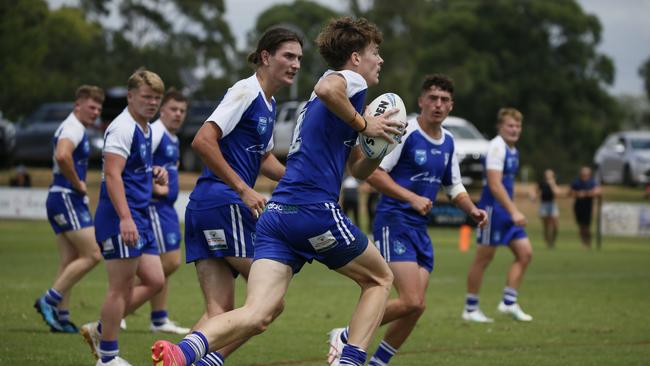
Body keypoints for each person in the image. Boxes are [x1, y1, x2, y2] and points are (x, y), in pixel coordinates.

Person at [151, 17, 404, 366]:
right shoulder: (347, 81)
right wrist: (364, 124)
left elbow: (358, 170)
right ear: (356, 57)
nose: (381, 60)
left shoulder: (323, 107)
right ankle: (350, 359)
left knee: (258, 313)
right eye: (376, 52)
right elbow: (329, 89)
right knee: (380, 278)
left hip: (276, 216)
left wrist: (379, 145)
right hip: (313, 210)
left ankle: (184, 351)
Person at [329, 74, 488, 366]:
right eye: (432, 98)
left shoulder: (449, 141)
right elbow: (374, 174)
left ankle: (377, 362)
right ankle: (346, 336)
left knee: (415, 307)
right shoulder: (406, 131)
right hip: (394, 221)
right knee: (411, 300)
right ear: (421, 101)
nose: (437, 105)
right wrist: (410, 197)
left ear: (451, 105)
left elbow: (453, 186)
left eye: (444, 100)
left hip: (419, 230)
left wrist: (472, 209)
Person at [181, 27, 302, 365]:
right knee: (270, 302)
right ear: (266, 56)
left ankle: (181, 358)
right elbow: (203, 141)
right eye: (288, 56)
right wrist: (243, 189)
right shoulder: (245, 91)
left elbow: (263, 159)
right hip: (224, 204)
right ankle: (211, 361)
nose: (295, 65)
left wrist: (302, 176)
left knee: (219, 312)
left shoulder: (269, 102)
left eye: (299, 59)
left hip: (206, 206)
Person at [80, 69, 168, 366]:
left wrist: (154, 174)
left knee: (155, 279)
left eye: (156, 98)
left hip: (139, 216)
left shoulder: (144, 128)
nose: (152, 103)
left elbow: (131, 172)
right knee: (120, 288)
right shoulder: (122, 127)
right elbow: (112, 175)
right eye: (146, 97)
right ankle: (106, 358)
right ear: (130, 97)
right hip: (121, 218)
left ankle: (101, 329)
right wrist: (126, 218)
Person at [120, 88, 191, 334]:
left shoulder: (171, 137)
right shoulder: (157, 132)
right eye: (173, 109)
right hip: (155, 209)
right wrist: (153, 188)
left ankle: (159, 318)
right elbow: (134, 165)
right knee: (169, 263)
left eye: (182, 111)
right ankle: (119, 309)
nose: (178, 114)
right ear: (162, 110)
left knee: (164, 266)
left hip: (167, 209)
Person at [35, 85, 104, 333]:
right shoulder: (73, 127)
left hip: (60, 197)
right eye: (91, 106)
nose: (95, 112)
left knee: (70, 260)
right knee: (94, 253)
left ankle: (61, 316)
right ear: (78, 104)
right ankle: (49, 300)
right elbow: (63, 156)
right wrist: (78, 184)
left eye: (98, 108)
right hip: (66, 196)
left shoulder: (74, 126)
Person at [462, 107, 534, 323]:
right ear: (500, 127)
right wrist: (513, 211)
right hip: (492, 212)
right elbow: (494, 184)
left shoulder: (513, 149)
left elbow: (506, 184)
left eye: (518, 126)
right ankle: (470, 308)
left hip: (507, 212)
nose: (515, 129)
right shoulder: (496, 147)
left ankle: (509, 302)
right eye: (510, 125)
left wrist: (520, 197)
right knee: (483, 259)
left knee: (525, 254)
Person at [569, 166, 601, 249]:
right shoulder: (576, 182)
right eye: (583, 174)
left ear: (589, 174)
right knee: (581, 226)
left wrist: (585, 193)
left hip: (588, 207)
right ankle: (584, 243)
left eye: (586, 174)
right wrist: (579, 194)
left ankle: (588, 242)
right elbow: (570, 192)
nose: (584, 175)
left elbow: (597, 192)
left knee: (586, 226)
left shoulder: (592, 182)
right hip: (578, 206)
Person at [537, 169, 560, 249]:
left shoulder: (554, 183)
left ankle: (552, 241)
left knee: (555, 225)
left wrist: (552, 184)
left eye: (550, 175)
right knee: (546, 226)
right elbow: (537, 191)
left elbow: (557, 193)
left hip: (552, 204)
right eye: (546, 174)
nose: (547, 176)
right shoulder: (542, 183)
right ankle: (548, 243)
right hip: (544, 204)